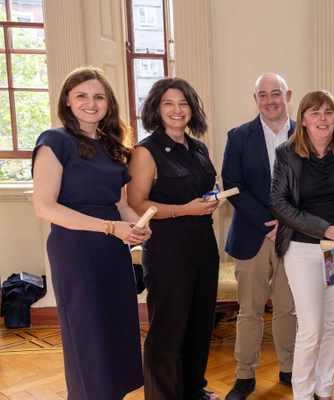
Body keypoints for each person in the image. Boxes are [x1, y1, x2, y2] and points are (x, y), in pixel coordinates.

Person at [32, 66, 149, 399]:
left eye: (98, 96)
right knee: (88, 336)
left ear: (108, 104)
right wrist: (111, 227)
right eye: (81, 95)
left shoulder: (112, 146)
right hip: (76, 250)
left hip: (112, 252)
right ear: (67, 101)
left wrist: (138, 228)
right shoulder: (54, 141)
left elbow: (120, 204)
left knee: (116, 331)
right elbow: (45, 207)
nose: (91, 103)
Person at [127, 77, 221, 400]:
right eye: (168, 103)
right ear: (156, 108)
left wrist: (210, 201)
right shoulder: (146, 151)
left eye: (183, 103)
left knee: (199, 325)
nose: (176, 110)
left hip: (203, 246)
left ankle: (194, 390)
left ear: (192, 109)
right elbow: (136, 202)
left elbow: (202, 190)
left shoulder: (198, 148)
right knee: (167, 330)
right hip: (168, 248)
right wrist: (185, 210)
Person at [269, 90, 334, 400]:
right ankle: (303, 393)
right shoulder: (287, 153)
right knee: (310, 329)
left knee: (333, 324)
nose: (322, 118)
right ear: (304, 119)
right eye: (315, 113)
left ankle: (325, 390)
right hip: (303, 249)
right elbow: (278, 204)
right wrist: (327, 229)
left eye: (328, 112)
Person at [222, 73, 298, 400]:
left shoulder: (307, 133)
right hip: (252, 236)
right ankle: (244, 376)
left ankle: (290, 369)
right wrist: (270, 222)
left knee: (288, 309)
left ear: (288, 95)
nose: (270, 100)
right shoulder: (239, 136)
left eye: (276, 93)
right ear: (255, 99)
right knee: (249, 310)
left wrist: (288, 222)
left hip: (295, 237)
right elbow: (232, 185)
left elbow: (316, 185)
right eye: (263, 94)